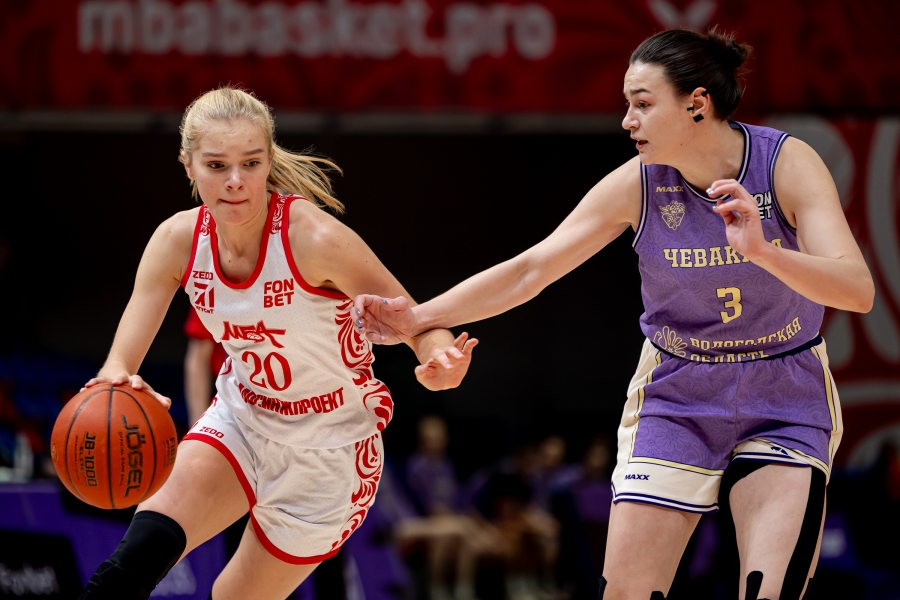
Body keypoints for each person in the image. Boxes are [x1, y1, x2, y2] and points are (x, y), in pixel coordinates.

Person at [354, 28, 874, 600]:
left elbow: (856, 290)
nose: (628, 120)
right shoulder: (639, 184)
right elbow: (531, 269)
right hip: (679, 389)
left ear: (697, 103)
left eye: (643, 104)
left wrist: (765, 252)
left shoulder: (785, 163)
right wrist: (416, 318)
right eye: (628, 104)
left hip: (783, 387)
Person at [77, 86, 477, 600]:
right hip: (242, 419)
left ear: (269, 160)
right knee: (137, 556)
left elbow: (418, 323)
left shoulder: (316, 238)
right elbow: (118, 364)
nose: (236, 181)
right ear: (187, 164)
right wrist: (117, 385)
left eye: (251, 163)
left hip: (330, 450)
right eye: (216, 165)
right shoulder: (177, 241)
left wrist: (438, 356)